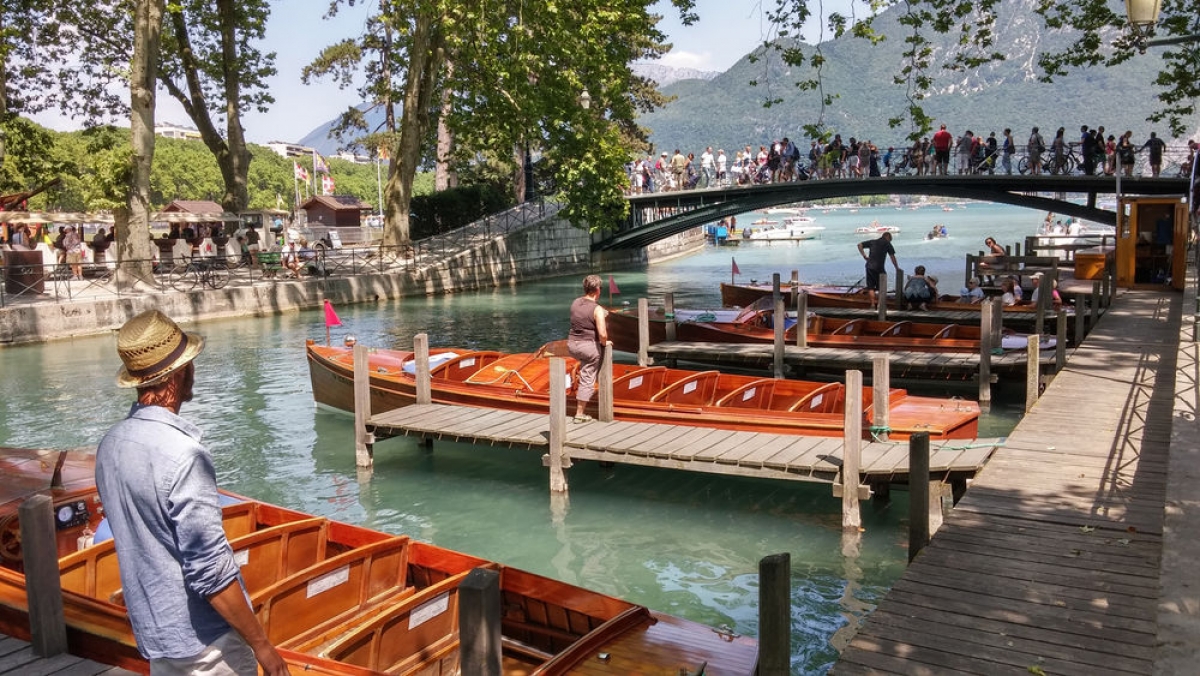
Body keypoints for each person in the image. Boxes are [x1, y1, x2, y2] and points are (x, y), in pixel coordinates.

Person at [96, 310, 289, 676]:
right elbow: (210, 570)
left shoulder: (111, 445)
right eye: (191, 365)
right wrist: (263, 647)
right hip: (207, 646)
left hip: (155, 636)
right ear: (178, 375)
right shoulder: (184, 454)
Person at [567, 275, 608, 423]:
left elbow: (583, 315)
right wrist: (605, 343)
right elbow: (602, 334)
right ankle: (579, 414)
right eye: (601, 288)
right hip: (588, 347)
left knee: (585, 365)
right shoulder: (597, 309)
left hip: (572, 345)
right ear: (597, 290)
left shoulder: (576, 302)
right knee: (587, 378)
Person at [857, 231, 899, 307]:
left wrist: (864, 256)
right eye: (890, 240)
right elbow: (892, 257)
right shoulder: (887, 244)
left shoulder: (873, 242)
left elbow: (859, 245)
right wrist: (896, 267)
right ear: (888, 237)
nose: (890, 241)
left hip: (869, 266)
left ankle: (873, 304)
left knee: (870, 287)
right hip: (879, 267)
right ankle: (880, 304)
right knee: (882, 286)